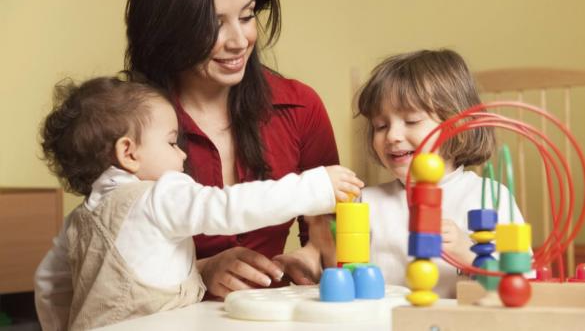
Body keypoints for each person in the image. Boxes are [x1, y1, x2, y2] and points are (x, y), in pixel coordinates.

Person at [34, 76, 363, 330]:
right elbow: (230, 207)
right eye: (172, 142)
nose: (182, 153)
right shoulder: (160, 196)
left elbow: (50, 285)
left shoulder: (80, 218)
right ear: (129, 152)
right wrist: (314, 186)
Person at [124, 0, 340, 297]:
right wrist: (199, 272)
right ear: (167, 28)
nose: (239, 41)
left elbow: (330, 230)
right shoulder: (123, 123)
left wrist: (310, 256)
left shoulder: (300, 106)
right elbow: (109, 261)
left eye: (247, 16)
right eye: (214, 23)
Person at [356, 49, 525, 298]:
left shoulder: (488, 196)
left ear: (458, 124)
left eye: (411, 120)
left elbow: (517, 283)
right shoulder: (365, 202)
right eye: (381, 126)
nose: (392, 136)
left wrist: (467, 251)